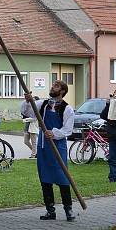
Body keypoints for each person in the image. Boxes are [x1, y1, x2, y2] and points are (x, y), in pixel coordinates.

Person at [22, 80, 76, 221]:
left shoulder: (67, 109)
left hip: (58, 147)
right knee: (45, 178)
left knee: (63, 178)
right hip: (44, 146)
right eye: (53, 85)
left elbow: (68, 129)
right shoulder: (43, 104)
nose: (53, 87)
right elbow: (28, 112)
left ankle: (68, 210)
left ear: (62, 91)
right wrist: (28, 101)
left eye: (56, 86)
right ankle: (50, 210)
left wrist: (54, 133)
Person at [100, 88, 116, 182]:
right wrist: (108, 104)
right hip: (113, 135)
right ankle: (113, 177)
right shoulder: (111, 104)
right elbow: (103, 116)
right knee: (113, 158)